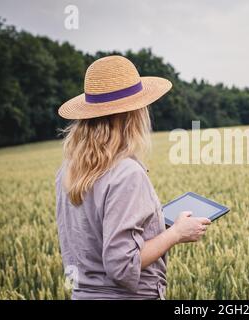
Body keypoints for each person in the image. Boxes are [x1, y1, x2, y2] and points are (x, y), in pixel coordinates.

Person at [55, 55, 211, 299]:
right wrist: (176, 233)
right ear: (134, 113)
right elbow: (122, 266)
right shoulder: (126, 173)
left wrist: (157, 225)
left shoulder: (68, 171)